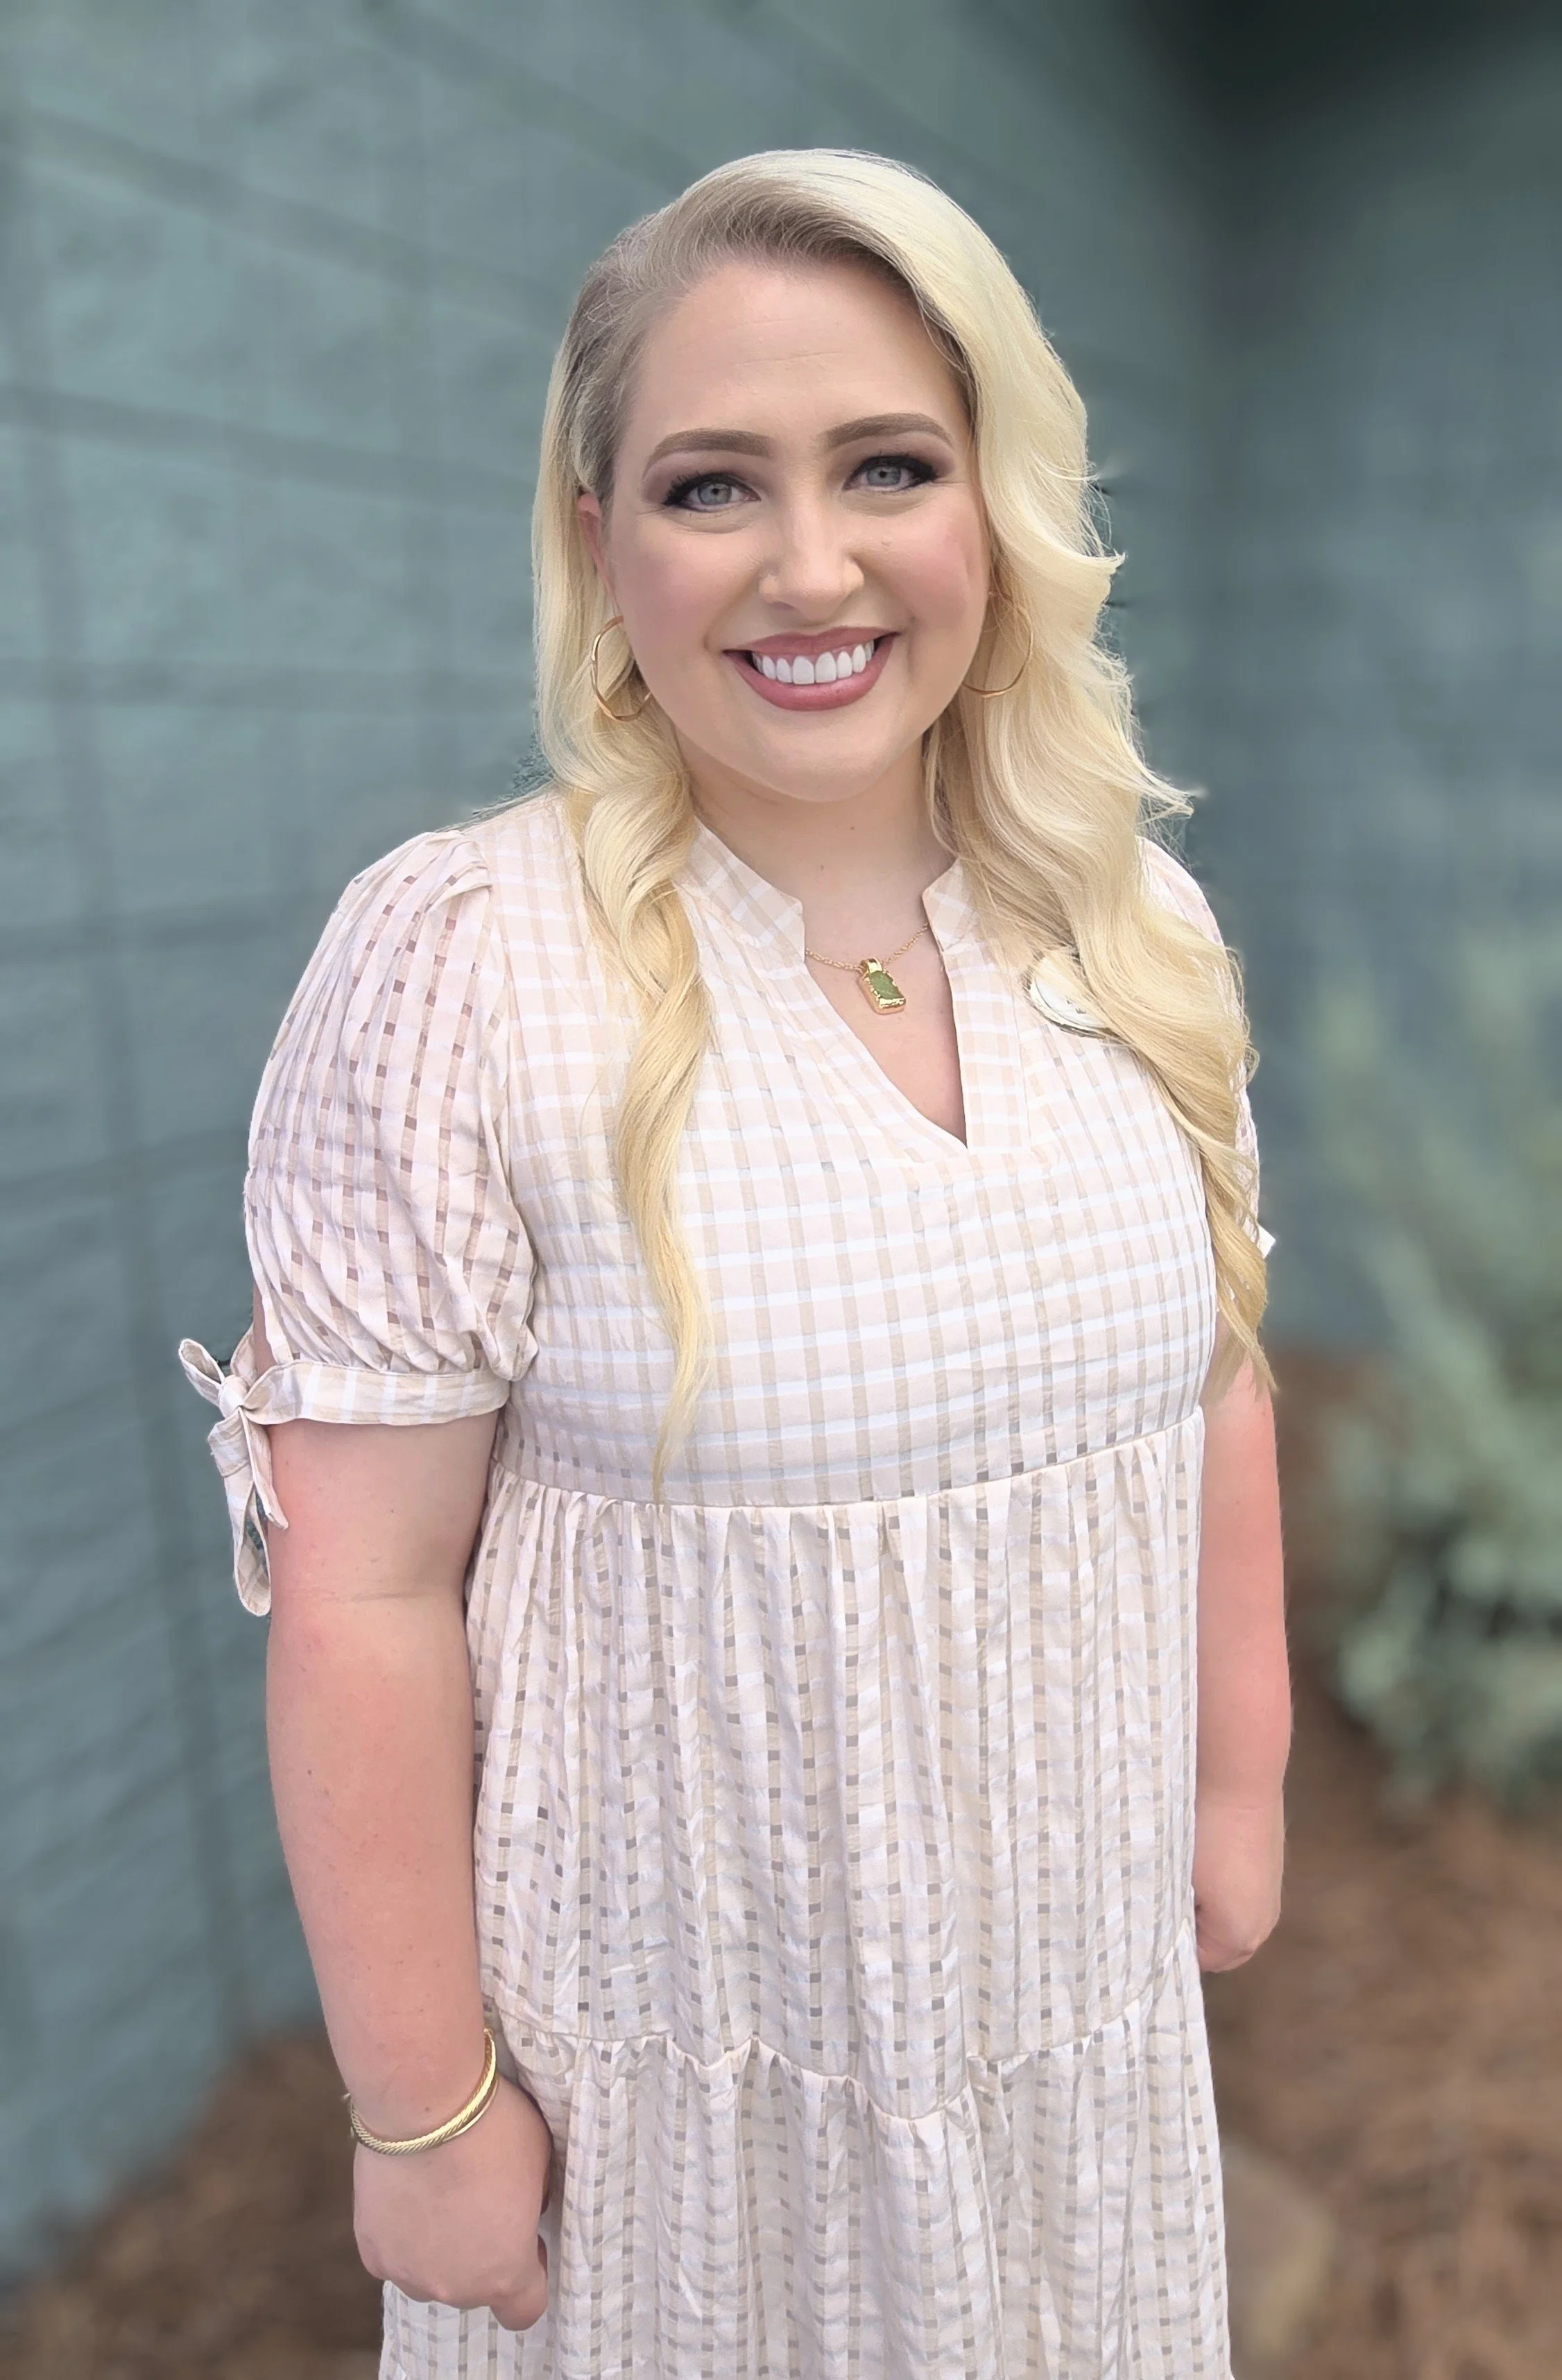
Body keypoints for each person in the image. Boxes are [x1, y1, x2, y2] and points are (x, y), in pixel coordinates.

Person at [181, 147, 1289, 2380]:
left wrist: (1234, 1777)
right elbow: (363, 1586)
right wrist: (423, 2107)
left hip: (1069, 2053)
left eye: (887, 464)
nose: (811, 564)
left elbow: (1215, 1375)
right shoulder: (470, 966)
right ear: (599, 535)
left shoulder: (1131, 935)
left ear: (996, 499)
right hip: (674, 2123)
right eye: (713, 486)